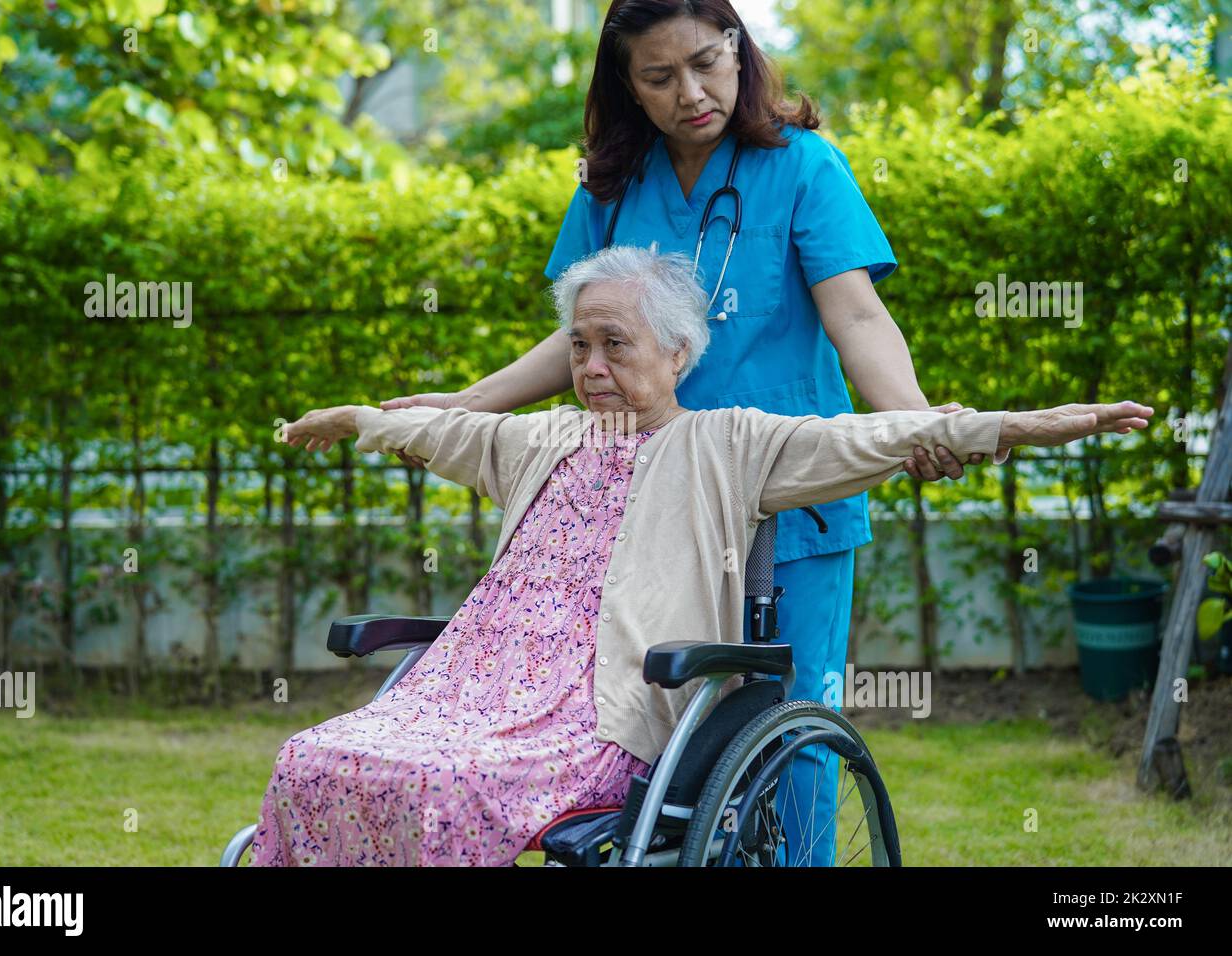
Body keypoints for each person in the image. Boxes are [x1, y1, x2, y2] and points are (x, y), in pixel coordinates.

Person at [251, 245, 1151, 866]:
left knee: (446, 786)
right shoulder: (537, 442)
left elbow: (876, 436)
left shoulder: (731, 444)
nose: (593, 364)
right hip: (471, 697)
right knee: (315, 756)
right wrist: (362, 420)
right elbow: (440, 430)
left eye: (616, 343)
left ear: (679, 352)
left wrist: (1034, 425)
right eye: (580, 345)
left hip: (598, 717)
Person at [379, 0, 1000, 865]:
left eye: (707, 62)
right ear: (626, 86)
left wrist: (914, 422)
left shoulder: (805, 168)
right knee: (642, 730)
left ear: (739, 50)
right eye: (660, 76)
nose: (693, 93)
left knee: (792, 738)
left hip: (791, 506)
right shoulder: (610, 190)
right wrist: (465, 405)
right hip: (644, 507)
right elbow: (577, 342)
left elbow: (857, 314)